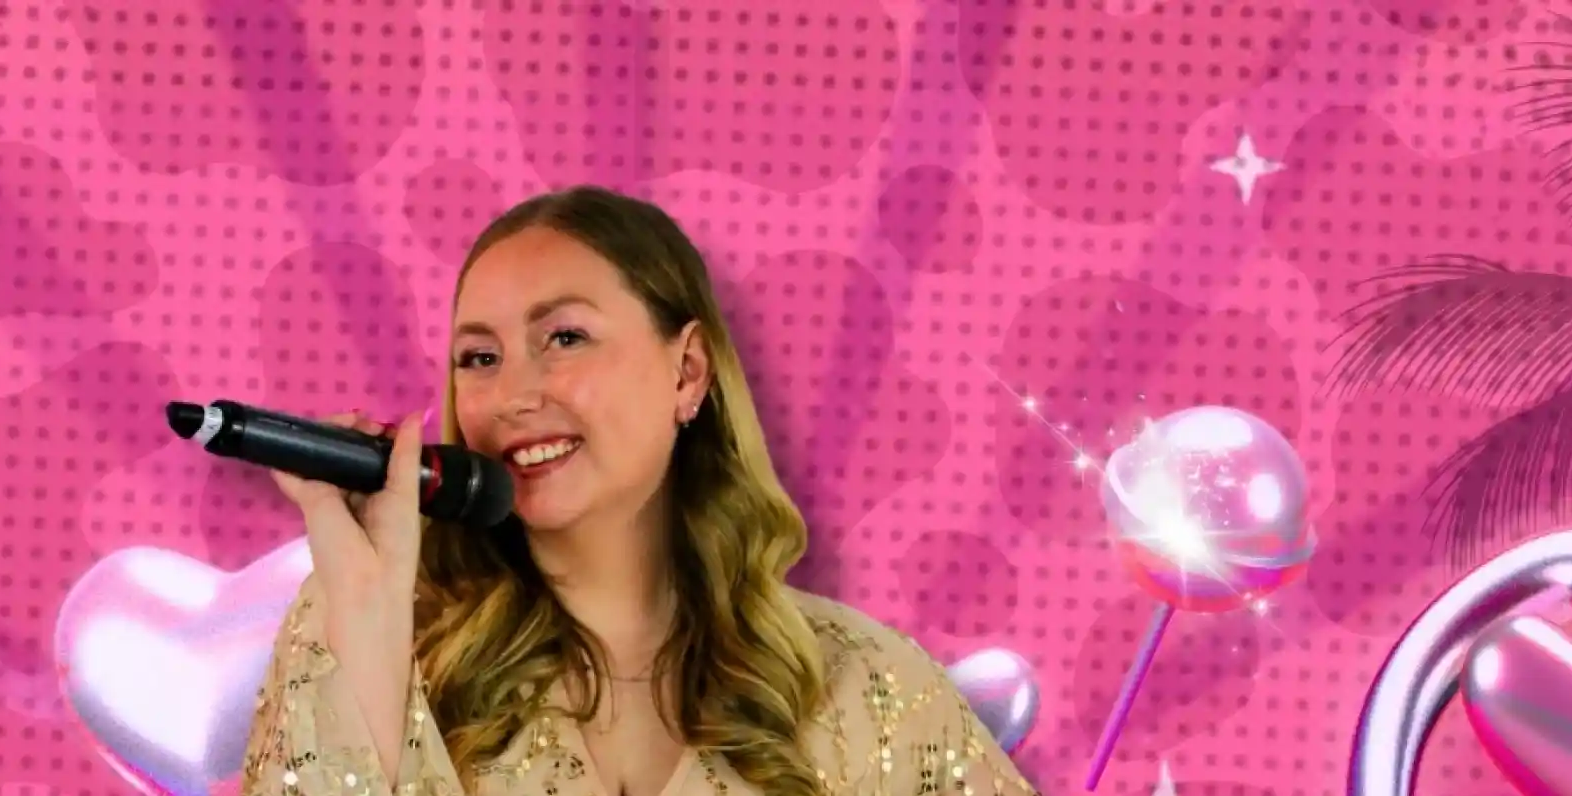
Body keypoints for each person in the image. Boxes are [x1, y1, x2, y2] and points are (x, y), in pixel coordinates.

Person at [241, 186, 1034, 796]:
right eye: (479, 358)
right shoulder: (359, 628)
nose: (515, 394)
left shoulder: (866, 681)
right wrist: (369, 613)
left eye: (564, 338)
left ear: (687, 371)